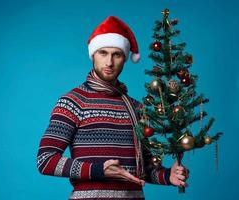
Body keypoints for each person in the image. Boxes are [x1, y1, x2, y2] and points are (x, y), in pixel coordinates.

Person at [36, 16, 189, 199]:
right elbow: (45, 160)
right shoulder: (73, 102)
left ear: (124, 58)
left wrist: (167, 176)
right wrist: (99, 170)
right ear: (93, 54)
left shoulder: (136, 108)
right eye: (103, 53)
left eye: (116, 54)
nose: (109, 62)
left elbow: (144, 168)